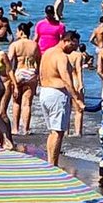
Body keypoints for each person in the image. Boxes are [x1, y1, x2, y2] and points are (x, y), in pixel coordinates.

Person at [38, 37, 86, 168]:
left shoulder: (47, 53)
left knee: (53, 131)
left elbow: (40, 73)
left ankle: (50, 163)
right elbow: (66, 80)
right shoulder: (61, 56)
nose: (74, 49)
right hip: (57, 93)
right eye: (73, 46)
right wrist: (77, 99)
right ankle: (53, 165)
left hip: (44, 91)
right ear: (67, 41)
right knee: (58, 132)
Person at [7, 22, 40, 136]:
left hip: (19, 72)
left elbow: (9, 60)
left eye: (17, 32)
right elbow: (38, 61)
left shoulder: (15, 45)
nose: (16, 34)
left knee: (16, 102)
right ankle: (26, 129)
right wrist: (38, 75)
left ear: (21, 32)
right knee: (27, 104)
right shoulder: (34, 45)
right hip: (31, 73)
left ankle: (15, 128)